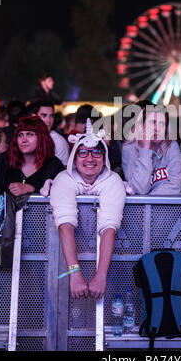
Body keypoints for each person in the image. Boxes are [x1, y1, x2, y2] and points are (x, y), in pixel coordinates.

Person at [50, 119, 126, 300]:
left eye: (97, 153)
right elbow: (65, 226)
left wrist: (101, 276)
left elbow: (109, 227)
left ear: (105, 156)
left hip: (110, 261)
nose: (90, 158)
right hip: (63, 261)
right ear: (74, 158)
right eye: (83, 153)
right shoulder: (63, 179)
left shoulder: (113, 180)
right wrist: (75, 274)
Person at [122, 104, 181, 195]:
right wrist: (146, 150)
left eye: (162, 124)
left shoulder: (171, 146)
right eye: (152, 122)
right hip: (140, 208)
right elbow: (138, 189)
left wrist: (148, 200)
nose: (157, 129)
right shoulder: (129, 149)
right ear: (141, 126)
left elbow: (176, 187)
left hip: (167, 207)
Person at [0, 116, 64, 196]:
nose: (24, 140)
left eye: (30, 134)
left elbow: (60, 196)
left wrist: (31, 188)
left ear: (41, 138)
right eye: (20, 135)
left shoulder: (53, 165)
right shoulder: (5, 160)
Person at [33, 101, 69, 166]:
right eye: (44, 115)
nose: (48, 120)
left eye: (51, 116)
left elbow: (63, 171)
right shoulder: (29, 137)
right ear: (34, 116)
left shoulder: (59, 142)